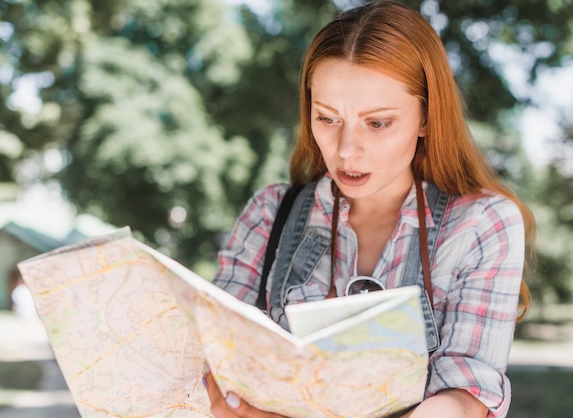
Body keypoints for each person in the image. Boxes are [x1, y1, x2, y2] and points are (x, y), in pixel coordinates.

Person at [206, 1, 534, 417]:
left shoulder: (482, 225)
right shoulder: (269, 213)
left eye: (377, 123)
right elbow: (217, 366)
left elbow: (468, 395)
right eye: (327, 119)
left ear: (427, 117)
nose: (346, 150)